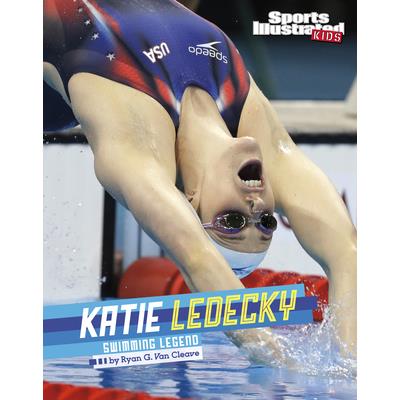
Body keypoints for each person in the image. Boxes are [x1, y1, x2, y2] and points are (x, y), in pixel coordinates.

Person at [44, 0, 356, 363]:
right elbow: (347, 254)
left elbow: (196, 257)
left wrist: (275, 360)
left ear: (190, 201)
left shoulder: (137, 147)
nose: (256, 207)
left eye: (232, 221)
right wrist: (353, 367)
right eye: (266, 222)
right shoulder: (249, 121)